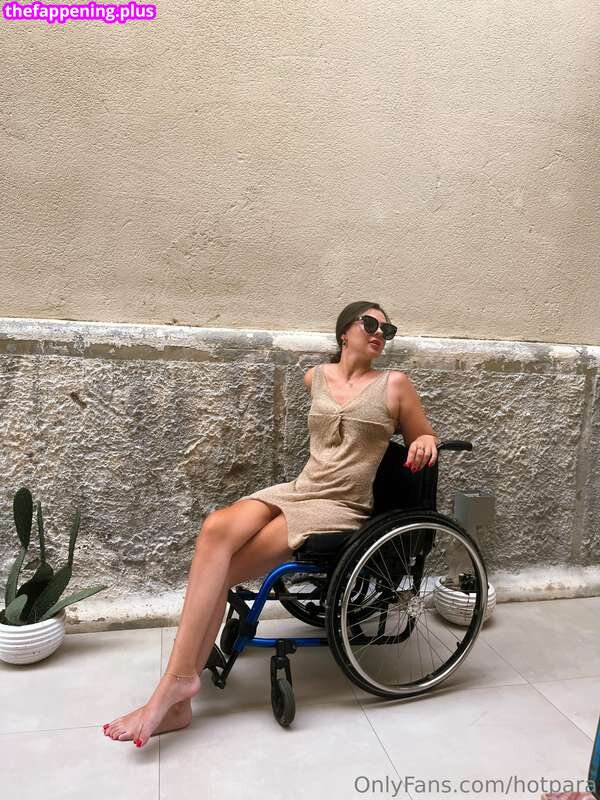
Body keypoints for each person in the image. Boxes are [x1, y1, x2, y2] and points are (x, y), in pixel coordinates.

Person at [102, 300, 440, 747]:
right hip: (300, 488)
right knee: (215, 528)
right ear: (344, 332)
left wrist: (425, 441)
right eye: (371, 324)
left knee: (221, 571)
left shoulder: (395, 384)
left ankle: (176, 687)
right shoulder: (315, 377)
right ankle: (179, 688)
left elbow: (423, 434)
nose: (380, 333)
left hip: (340, 504)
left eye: (388, 329)